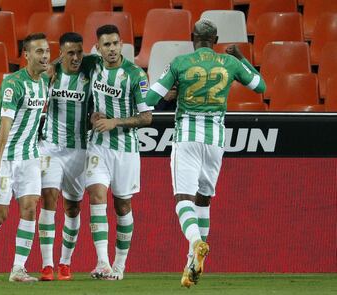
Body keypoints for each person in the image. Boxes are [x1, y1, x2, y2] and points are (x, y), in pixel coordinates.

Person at [146, 19, 266, 288]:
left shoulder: (180, 63)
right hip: (216, 140)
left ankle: (195, 242)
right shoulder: (230, 63)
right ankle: (191, 263)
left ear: (193, 38)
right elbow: (261, 87)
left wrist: (172, 91)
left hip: (187, 135)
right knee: (203, 200)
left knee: (183, 199)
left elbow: (151, 99)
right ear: (216, 39)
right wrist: (241, 57)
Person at [0, 33, 50, 282]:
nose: (45, 56)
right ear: (26, 55)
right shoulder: (13, 85)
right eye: (39, 51)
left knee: (30, 210)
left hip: (30, 156)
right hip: (5, 157)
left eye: (47, 51)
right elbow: (5, 124)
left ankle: (18, 269)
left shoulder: (43, 82)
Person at [86, 24, 153, 280]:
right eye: (106, 45)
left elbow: (146, 118)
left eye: (115, 43)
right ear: (98, 48)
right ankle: (102, 262)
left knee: (122, 206)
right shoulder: (93, 66)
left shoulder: (136, 75)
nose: (112, 49)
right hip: (98, 145)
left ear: (121, 43)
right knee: (96, 196)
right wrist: (94, 114)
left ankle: (120, 265)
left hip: (125, 149)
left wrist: (115, 121)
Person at [37, 32, 93, 281]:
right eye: (70, 52)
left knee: (73, 207)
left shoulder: (90, 76)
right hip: (50, 147)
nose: (76, 57)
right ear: (61, 54)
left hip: (79, 149)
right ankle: (47, 265)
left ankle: (65, 263)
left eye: (79, 52)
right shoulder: (49, 74)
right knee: (49, 200)